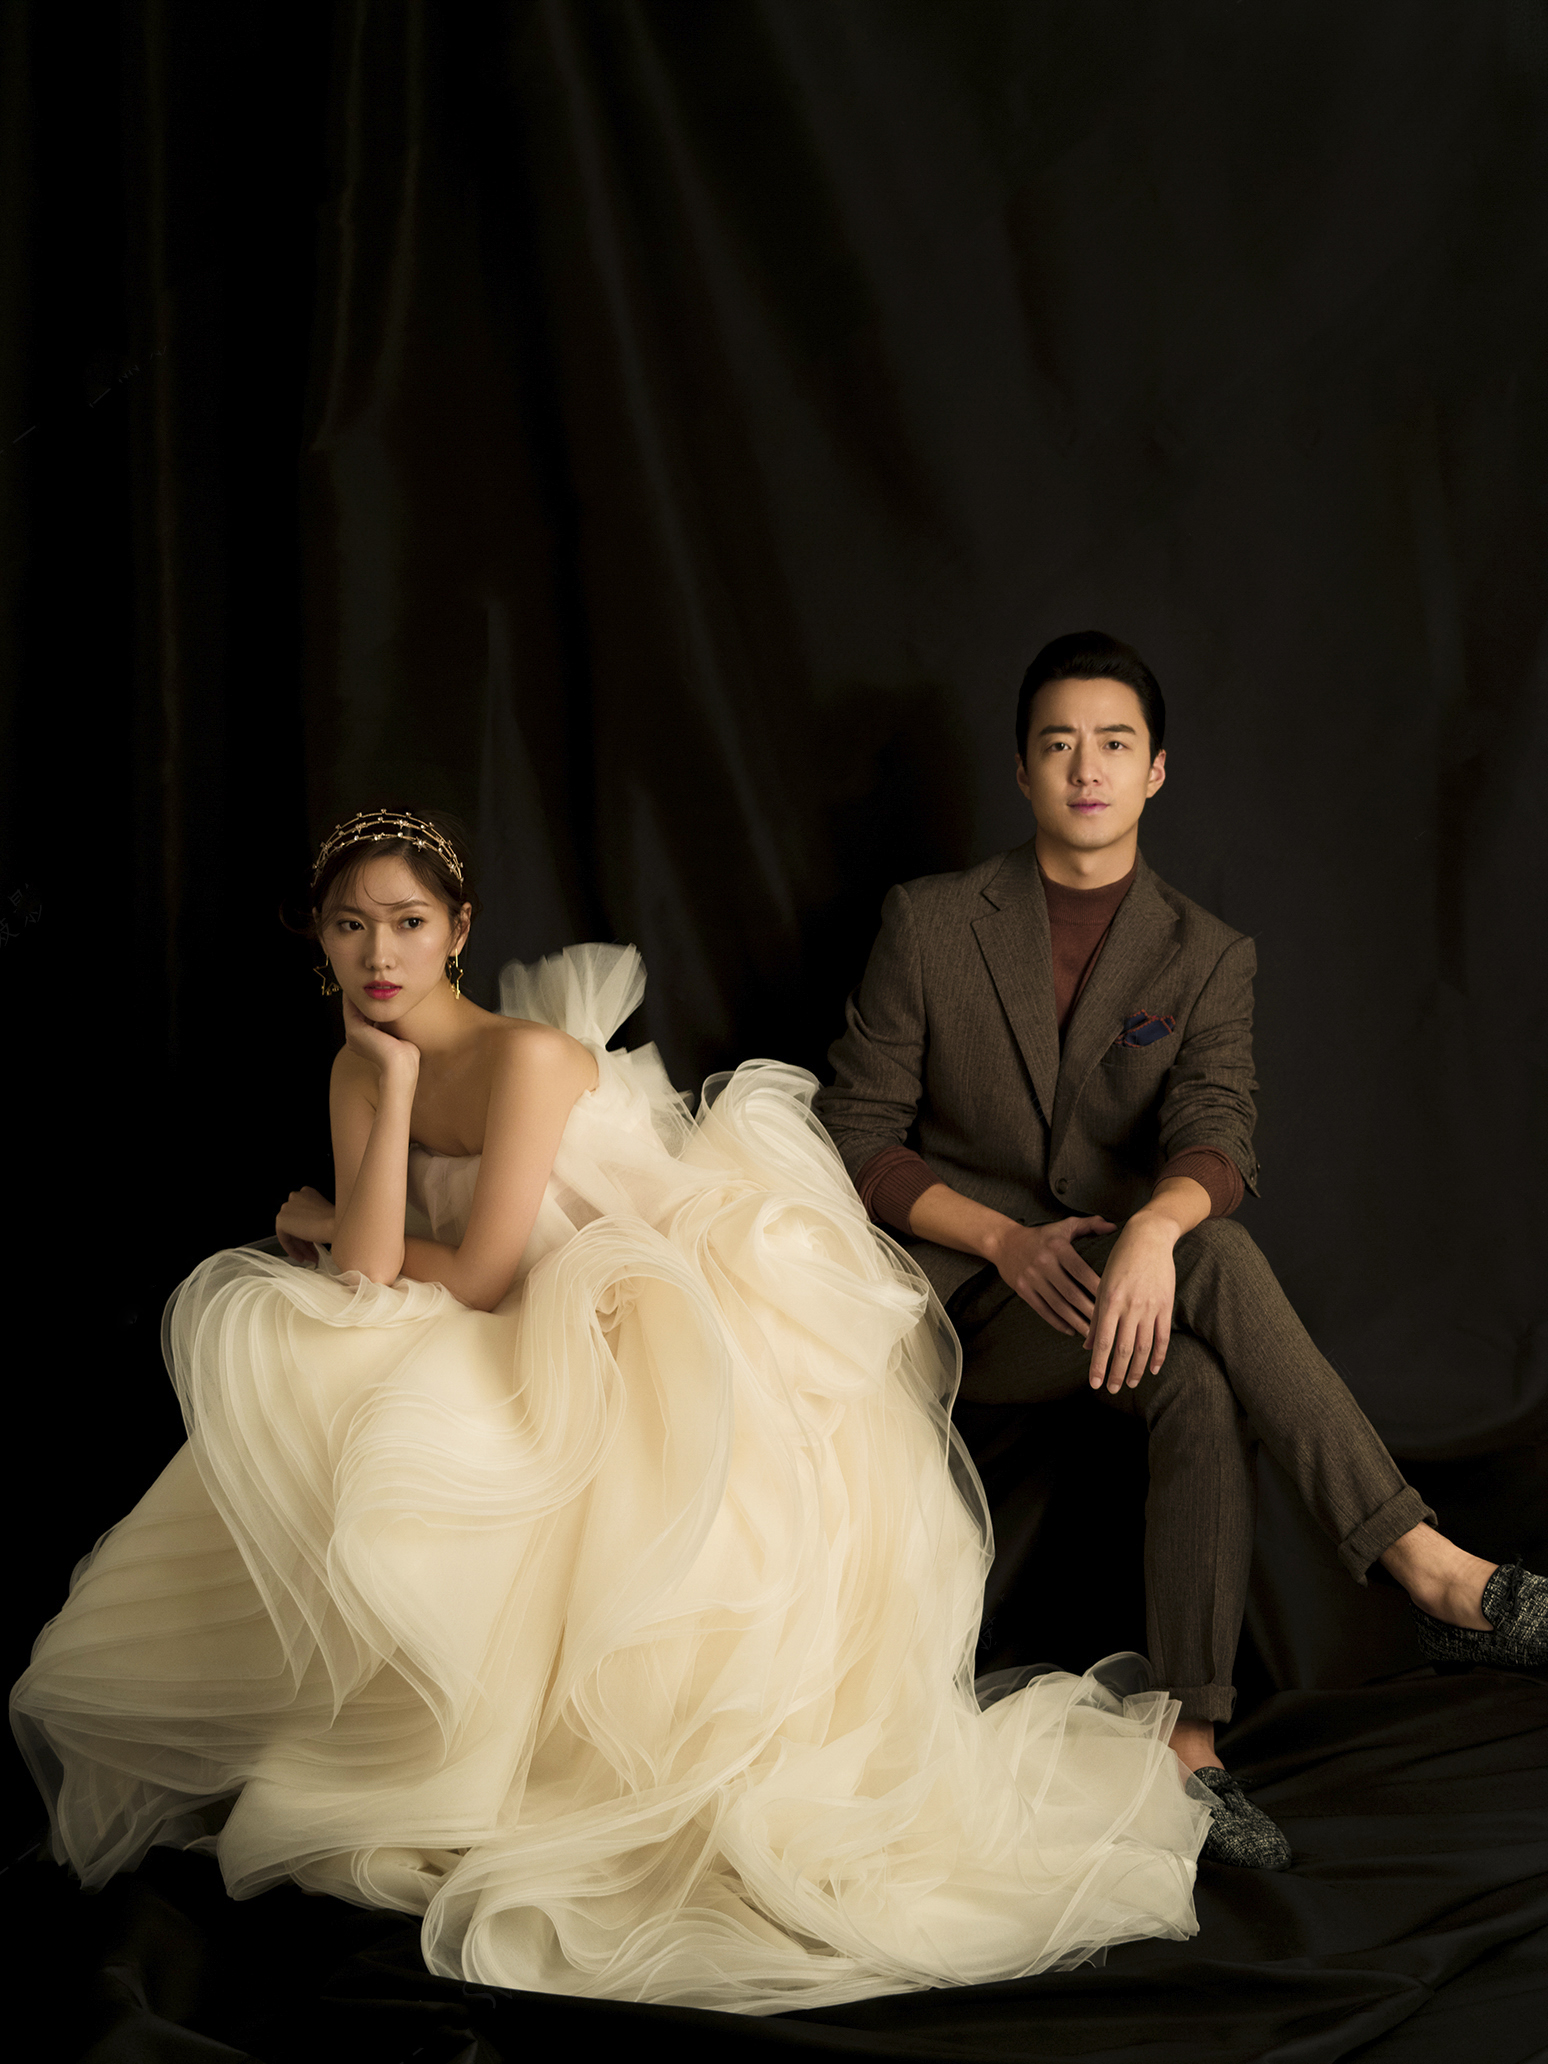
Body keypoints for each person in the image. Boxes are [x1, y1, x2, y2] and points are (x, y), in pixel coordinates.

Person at [13, 807, 1217, 2016]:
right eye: (349, 927)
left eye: (409, 924)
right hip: (509, 1312)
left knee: (432, 1417)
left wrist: (328, 1221)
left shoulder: (529, 1060)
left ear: (458, 931)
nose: (380, 955)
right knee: (331, 1383)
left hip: (645, 1314)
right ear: (319, 940)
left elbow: (478, 1271)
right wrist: (385, 1081)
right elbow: (375, 1272)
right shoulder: (360, 1061)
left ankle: (539, 1758)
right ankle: (391, 1739)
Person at [813, 630, 1548, 1871]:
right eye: (1059, 744)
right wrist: (1002, 1236)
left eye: (1115, 744)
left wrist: (1155, 1225)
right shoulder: (930, 922)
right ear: (1022, 769)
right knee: (1222, 1269)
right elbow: (855, 1132)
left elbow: (1219, 1128)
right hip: (960, 1301)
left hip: (1113, 1290)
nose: (1086, 768)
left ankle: (1190, 1748)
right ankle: (1429, 1569)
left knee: (1198, 1373)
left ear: (1156, 770)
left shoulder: (1205, 954)